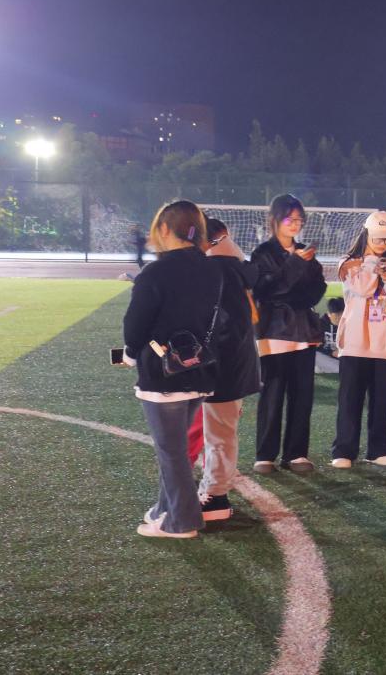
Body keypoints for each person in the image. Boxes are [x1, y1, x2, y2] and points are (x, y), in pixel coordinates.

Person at [121, 200, 223, 538]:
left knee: (172, 452)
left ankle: (182, 521)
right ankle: (164, 509)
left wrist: (130, 353)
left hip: (163, 372)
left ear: (165, 229)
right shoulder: (212, 269)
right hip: (200, 369)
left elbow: (135, 324)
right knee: (175, 450)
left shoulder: (156, 272)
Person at [249, 194, 328, 474]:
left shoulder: (306, 252)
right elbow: (265, 290)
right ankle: (265, 455)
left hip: (304, 331)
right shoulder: (263, 253)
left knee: (302, 394)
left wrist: (293, 290)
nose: (295, 224)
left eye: (299, 219)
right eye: (289, 219)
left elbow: (317, 289)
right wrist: (293, 266)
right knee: (272, 394)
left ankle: (296, 454)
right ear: (275, 220)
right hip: (274, 332)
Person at [332, 210, 386, 467]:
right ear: (366, 233)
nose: (383, 243)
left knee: (382, 401)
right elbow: (363, 288)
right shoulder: (349, 263)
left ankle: (379, 449)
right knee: (350, 400)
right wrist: (373, 264)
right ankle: (343, 451)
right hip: (355, 343)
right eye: (379, 237)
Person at [191, 217, 261, 520]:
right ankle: (213, 489)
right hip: (233, 362)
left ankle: (216, 497)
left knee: (218, 433)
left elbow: (220, 324)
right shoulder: (236, 267)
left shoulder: (217, 271)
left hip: (221, 364)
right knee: (218, 431)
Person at [315, 297, 344, 374]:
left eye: (342, 314)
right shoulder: (320, 324)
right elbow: (316, 347)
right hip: (327, 356)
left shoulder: (349, 323)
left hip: (344, 357)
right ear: (329, 314)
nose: (339, 318)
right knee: (313, 355)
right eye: (337, 315)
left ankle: (328, 368)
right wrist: (331, 352)